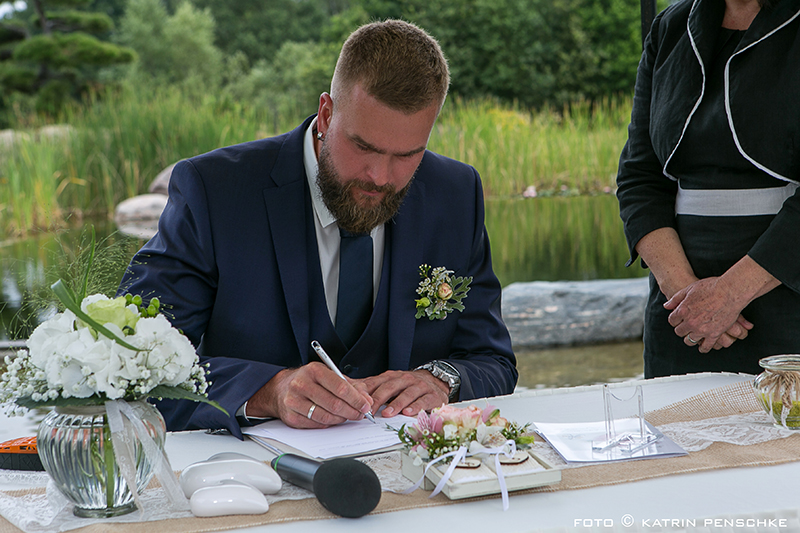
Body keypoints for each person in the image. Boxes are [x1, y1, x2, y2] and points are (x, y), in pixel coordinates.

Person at [119, 20, 517, 438]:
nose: (380, 176)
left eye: (407, 155)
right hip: (249, 482)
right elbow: (131, 359)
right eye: (363, 147)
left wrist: (442, 380)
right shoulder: (214, 191)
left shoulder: (456, 194)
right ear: (326, 114)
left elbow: (493, 361)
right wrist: (265, 392)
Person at [616, 0, 800, 378]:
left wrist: (732, 293)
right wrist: (683, 293)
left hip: (787, 289)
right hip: (680, 310)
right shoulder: (670, 26)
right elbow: (639, 175)